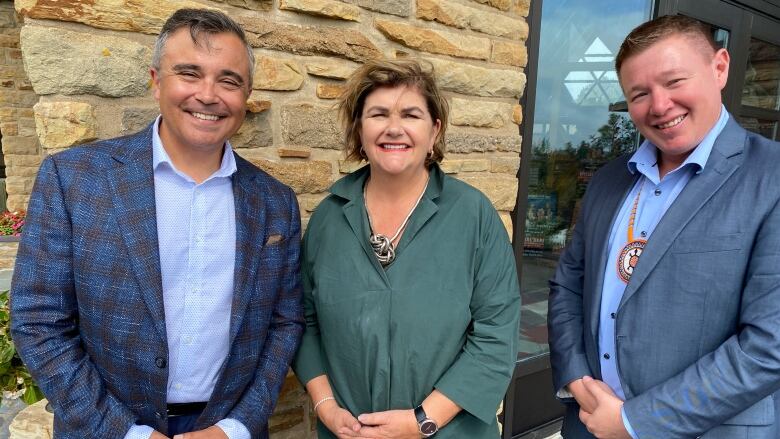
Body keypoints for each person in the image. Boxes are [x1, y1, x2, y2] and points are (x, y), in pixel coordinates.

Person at [10, 8, 303, 439]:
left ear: (247, 94)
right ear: (155, 80)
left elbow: (284, 322)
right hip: (105, 428)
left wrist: (236, 426)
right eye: (189, 73)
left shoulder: (275, 201)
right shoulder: (74, 179)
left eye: (228, 80)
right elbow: (38, 320)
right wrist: (127, 433)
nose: (208, 94)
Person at [548, 14, 780, 439]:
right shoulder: (609, 179)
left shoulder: (772, 178)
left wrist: (635, 422)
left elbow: (769, 347)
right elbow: (568, 286)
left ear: (720, 67)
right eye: (640, 93)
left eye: (674, 82)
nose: (658, 105)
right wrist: (576, 376)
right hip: (588, 425)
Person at [291, 59, 521, 438]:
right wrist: (326, 407)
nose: (393, 128)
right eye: (378, 114)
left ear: (434, 131)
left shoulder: (472, 215)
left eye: (410, 115)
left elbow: (497, 333)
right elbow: (304, 321)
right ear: (359, 130)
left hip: (450, 431)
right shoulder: (329, 220)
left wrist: (423, 420)